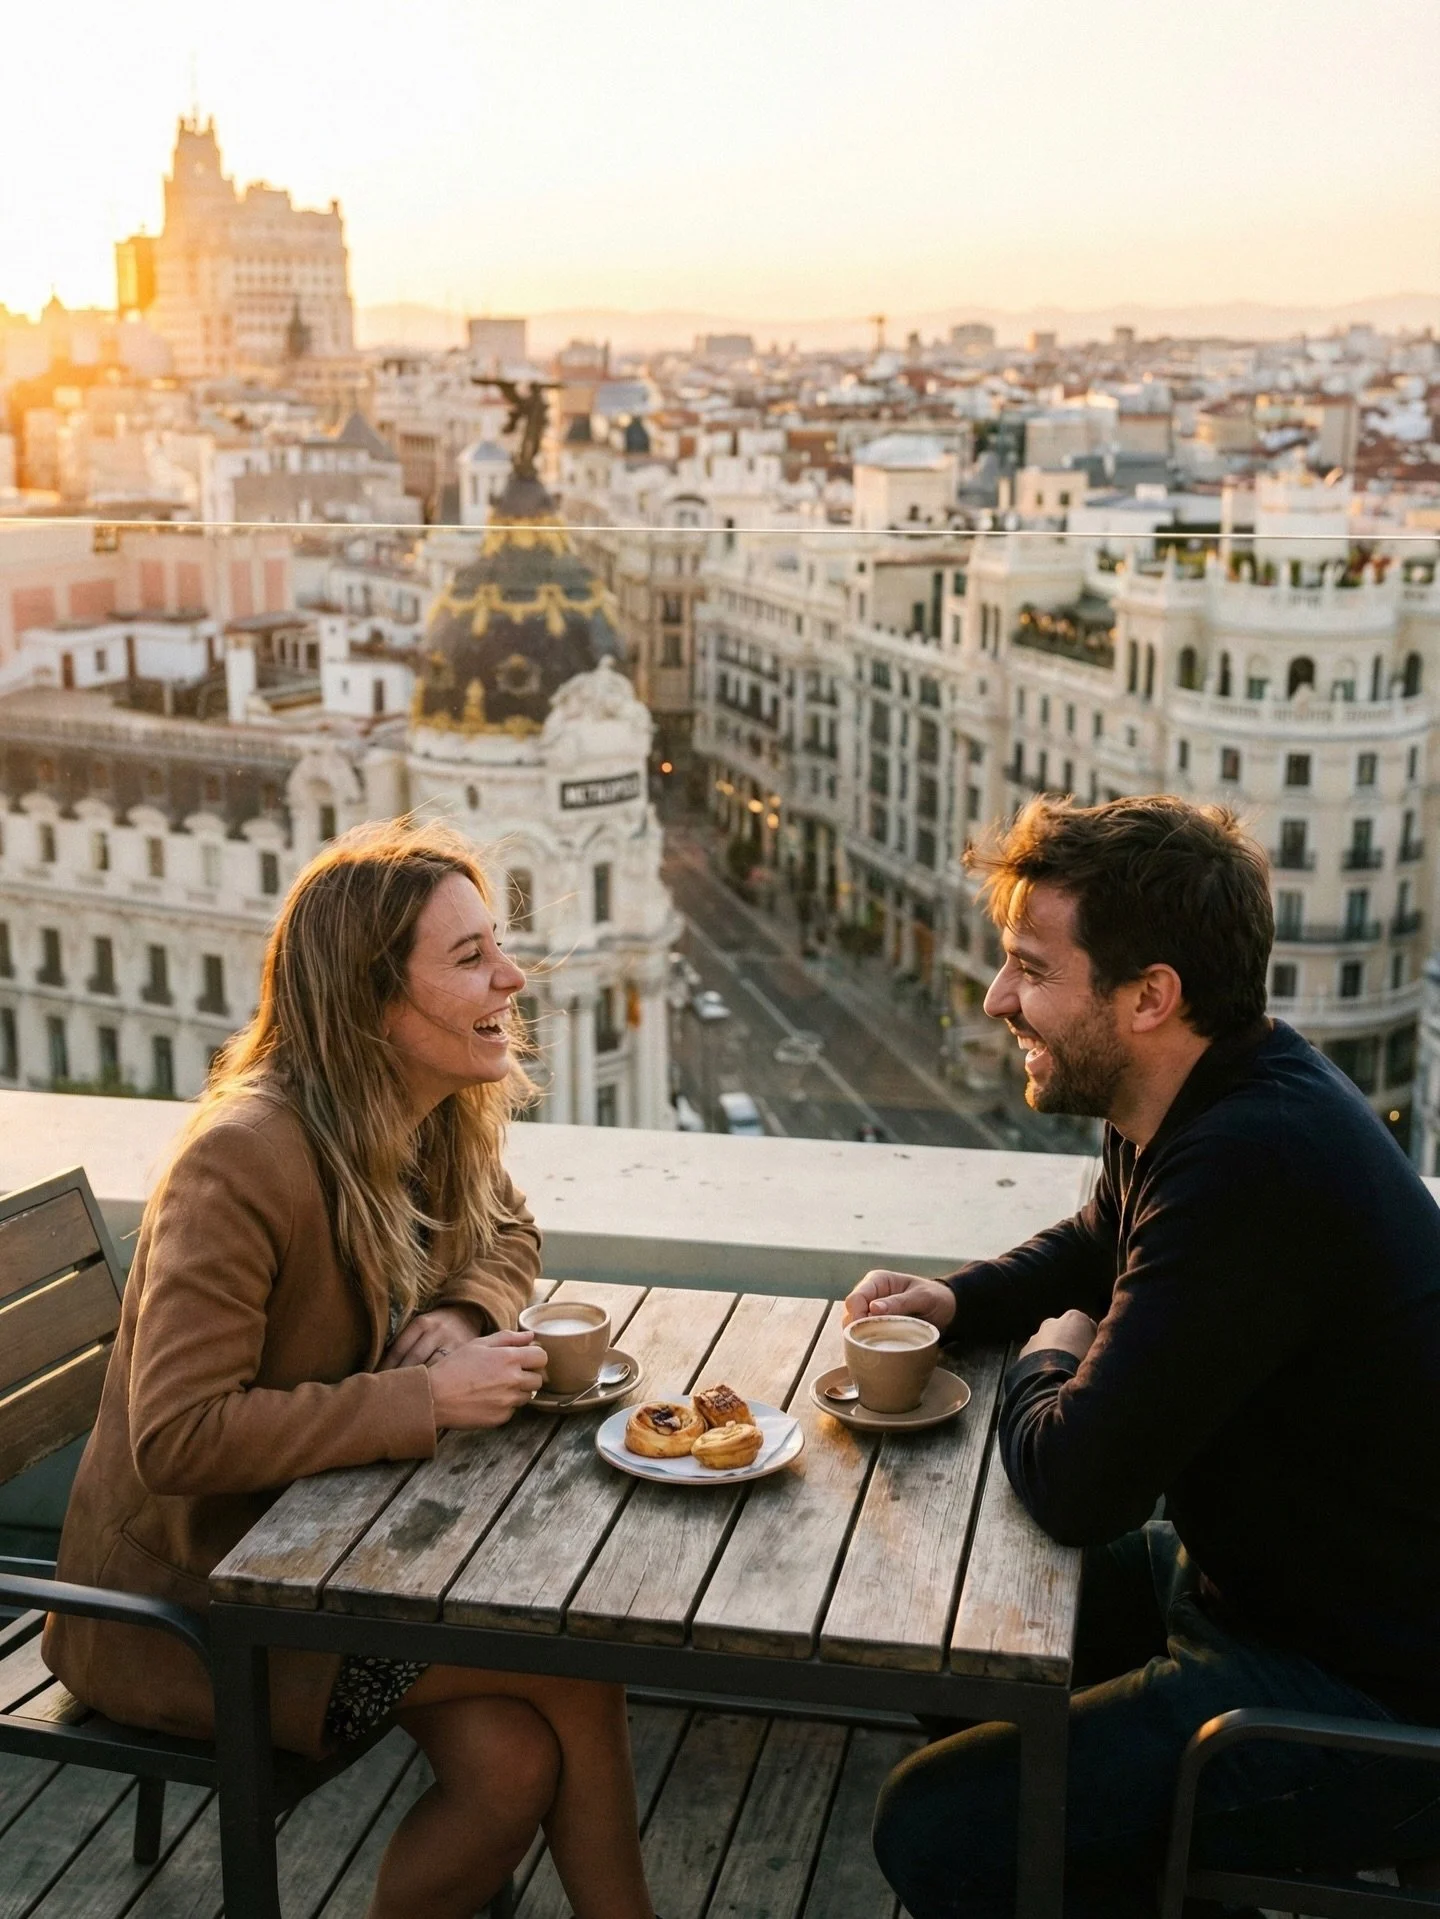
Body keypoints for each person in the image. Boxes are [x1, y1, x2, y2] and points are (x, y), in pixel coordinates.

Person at [44, 819, 658, 1919]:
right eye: (469, 958)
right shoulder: (241, 1158)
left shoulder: (423, 1112)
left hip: (336, 1563)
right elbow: (177, 1437)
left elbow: (510, 1230)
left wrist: (468, 1304)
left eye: (496, 945)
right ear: (372, 1002)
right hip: (192, 1612)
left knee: (514, 1758)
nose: (512, 976)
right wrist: (423, 1397)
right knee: (573, 1666)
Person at [847, 795, 1440, 1919]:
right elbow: (1097, 1238)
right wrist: (960, 1295)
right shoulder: (1206, 1095)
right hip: (1260, 1593)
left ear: (1149, 996)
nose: (997, 997)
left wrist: (1044, 1356)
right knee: (944, 1645)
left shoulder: (1251, 1162)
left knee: (939, 1824)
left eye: (1030, 966)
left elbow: (1080, 1485)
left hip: (1370, 1694)